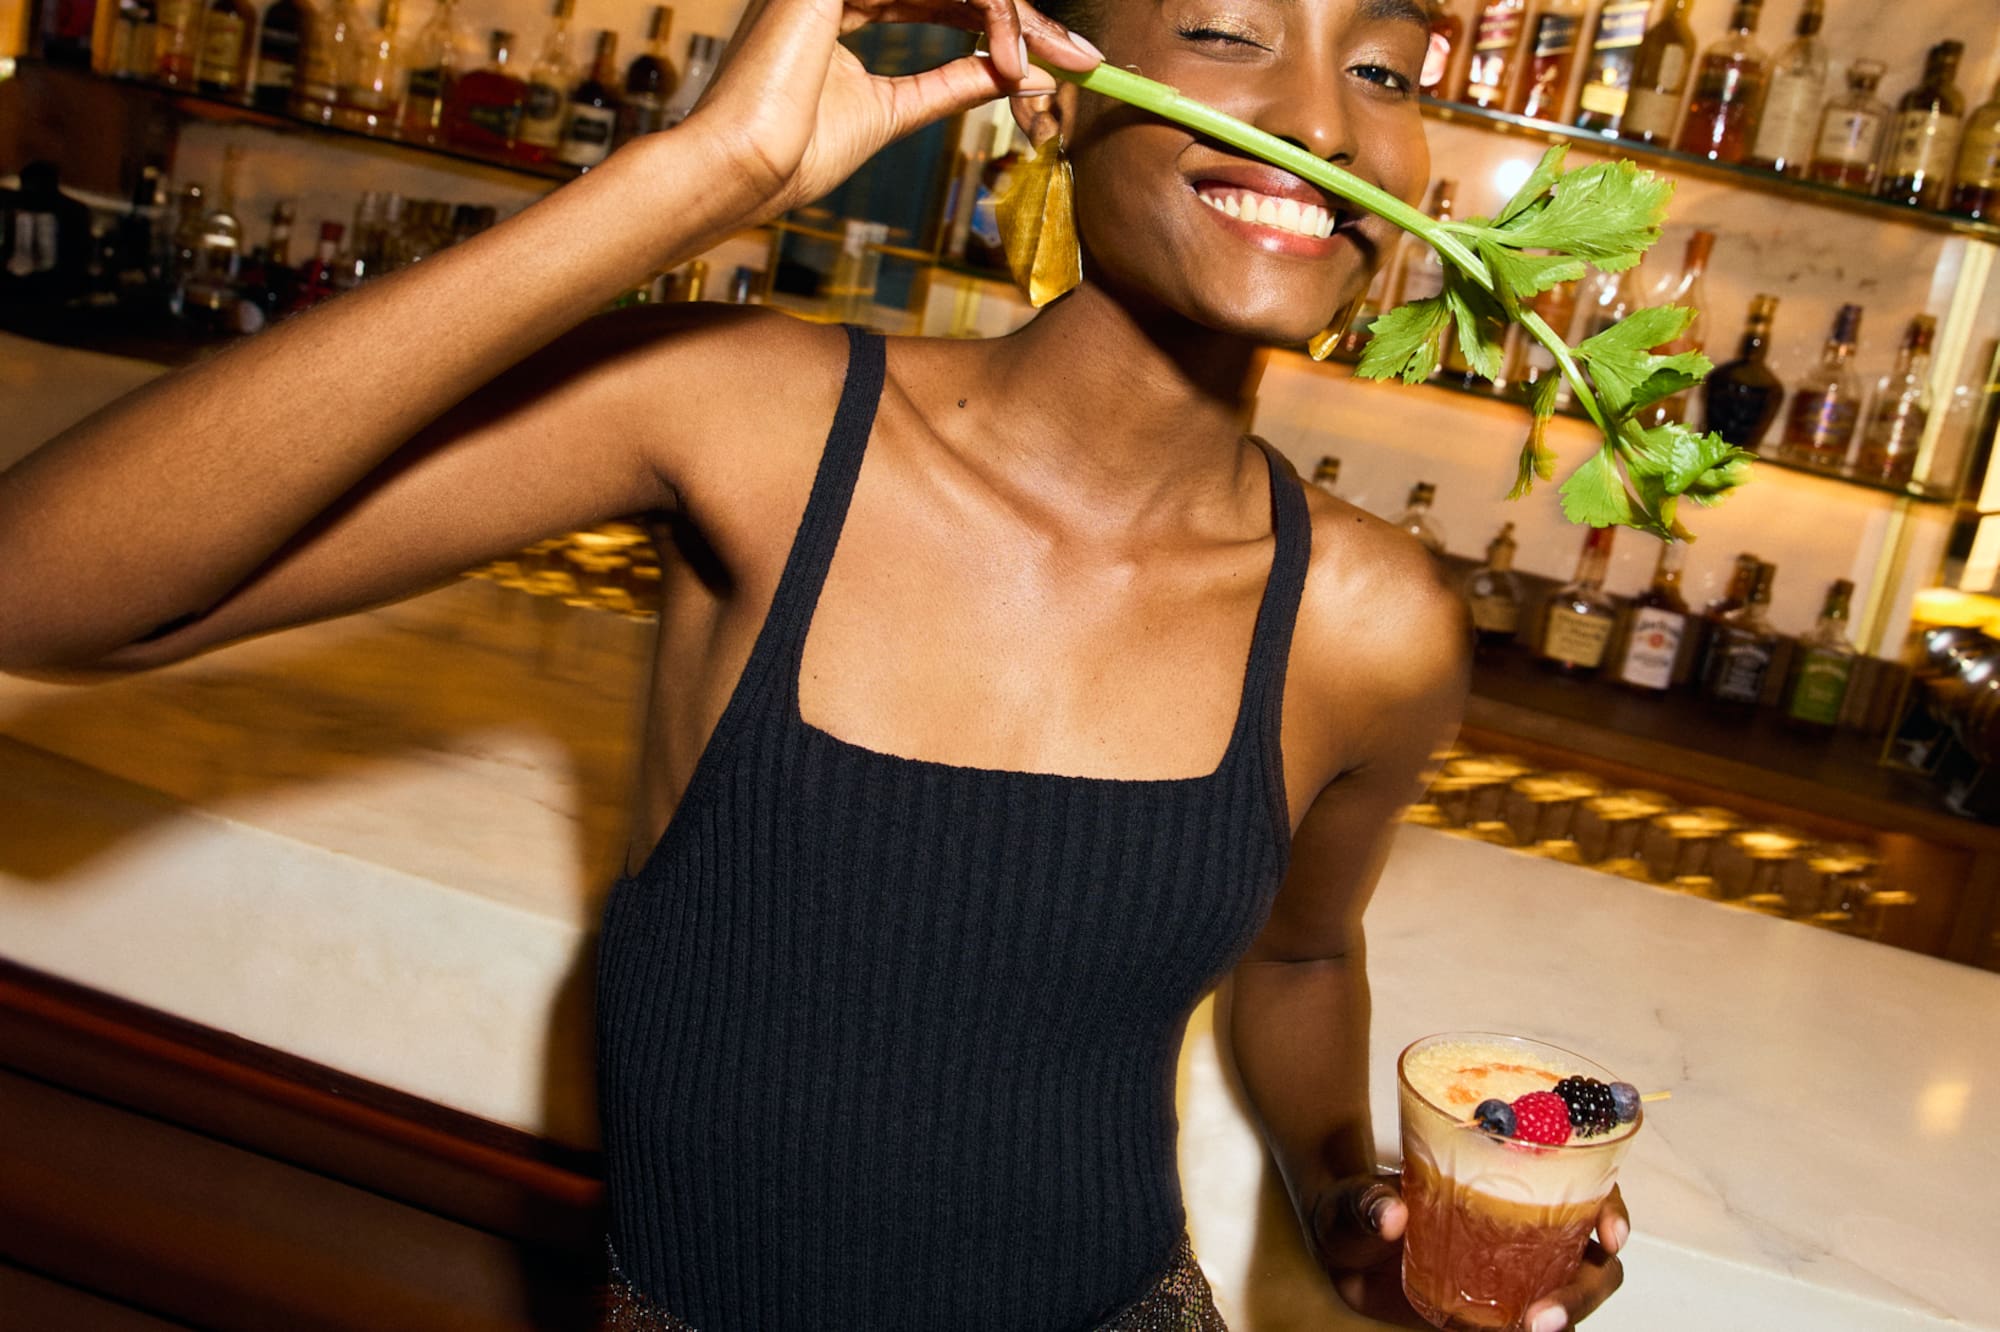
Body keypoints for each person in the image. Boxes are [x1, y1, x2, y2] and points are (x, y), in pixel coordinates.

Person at [0, 0, 1630, 1326]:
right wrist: (688, 178)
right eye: (1221, 33)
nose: (1325, 123)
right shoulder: (757, 424)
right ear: (1053, 85)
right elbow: (42, 593)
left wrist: (1356, 1200)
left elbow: (1294, 961)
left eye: (1383, 69)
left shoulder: (1368, 619)